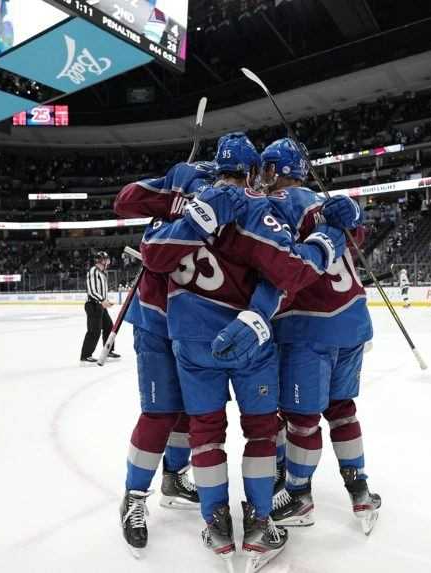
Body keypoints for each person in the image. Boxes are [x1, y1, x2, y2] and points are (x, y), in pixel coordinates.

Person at [141, 133, 346, 573]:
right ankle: (258, 525)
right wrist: (331, 236)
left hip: (190, 341)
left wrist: (187, 208)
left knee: (205, 431)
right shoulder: (259, 209)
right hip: (248, 339)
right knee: (259, 430)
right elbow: (291, 271)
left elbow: (150, 252)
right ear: (255, 172)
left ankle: (216, 523)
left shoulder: (184, 201)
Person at [256, 138, 381, 535]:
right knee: (342, 409)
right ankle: (359, 490)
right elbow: (354, 237)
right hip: (354, 321)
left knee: (302, 420)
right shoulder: (324, 204)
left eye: (265, 171)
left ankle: (298, 496)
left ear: (275, 171)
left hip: (310, 326)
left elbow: (276, 263)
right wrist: (355, 217)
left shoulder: (278, 205)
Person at [112, 162, 217, 556]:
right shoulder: (187, 175)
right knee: (159, 412)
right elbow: (125, 201)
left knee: (190, 412)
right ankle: (134, 495)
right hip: (157, 320)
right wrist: (176, 199)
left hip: (196, 324)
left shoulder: (234, 193)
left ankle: (174, 478)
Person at [80, 251, 119, 365]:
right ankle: (85, 355)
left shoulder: (102, 273)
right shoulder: (93, 271)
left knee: (109, 327)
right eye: (106, 259)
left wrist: (105, 301)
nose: (108, 262)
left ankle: (108, 351)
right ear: (101, 260)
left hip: (100, 305)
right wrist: (103, 300)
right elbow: (92, 291)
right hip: (93, 305)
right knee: (94, 331)